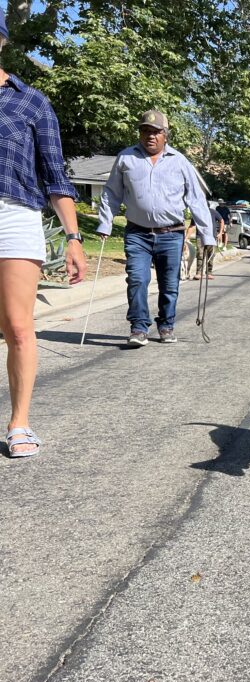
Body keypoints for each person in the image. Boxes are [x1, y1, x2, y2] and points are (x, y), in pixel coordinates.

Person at [0, 10, 86, 457]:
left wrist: (73, 238)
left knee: (17, 325)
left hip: (14, 216)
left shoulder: (30, 102)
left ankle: (19, 423)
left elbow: (56, 177)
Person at [97, 109, 213, 345]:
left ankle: (166, 325)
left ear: (165, 135)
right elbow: (111, 193)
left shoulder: (180, 162)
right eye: (145, 131)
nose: (150, 136)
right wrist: (105, 222)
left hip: (171, 233)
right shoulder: (126, 158)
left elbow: (196, 199)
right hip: (137, 232)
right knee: (137, 279)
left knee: (169, 285)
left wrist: (207, 234)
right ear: (140, 133)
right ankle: (139, 327)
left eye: (155, 132)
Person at [190, 201, 224, 280]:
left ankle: (209, 272)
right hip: (200, 236)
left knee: (211, 254)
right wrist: (186, 237)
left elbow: (221, 220)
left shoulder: (213, 212)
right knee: (200, 254)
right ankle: (198, 273)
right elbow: (192, 226)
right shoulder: (197, 213)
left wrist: (220, 232)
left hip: (212, 236)